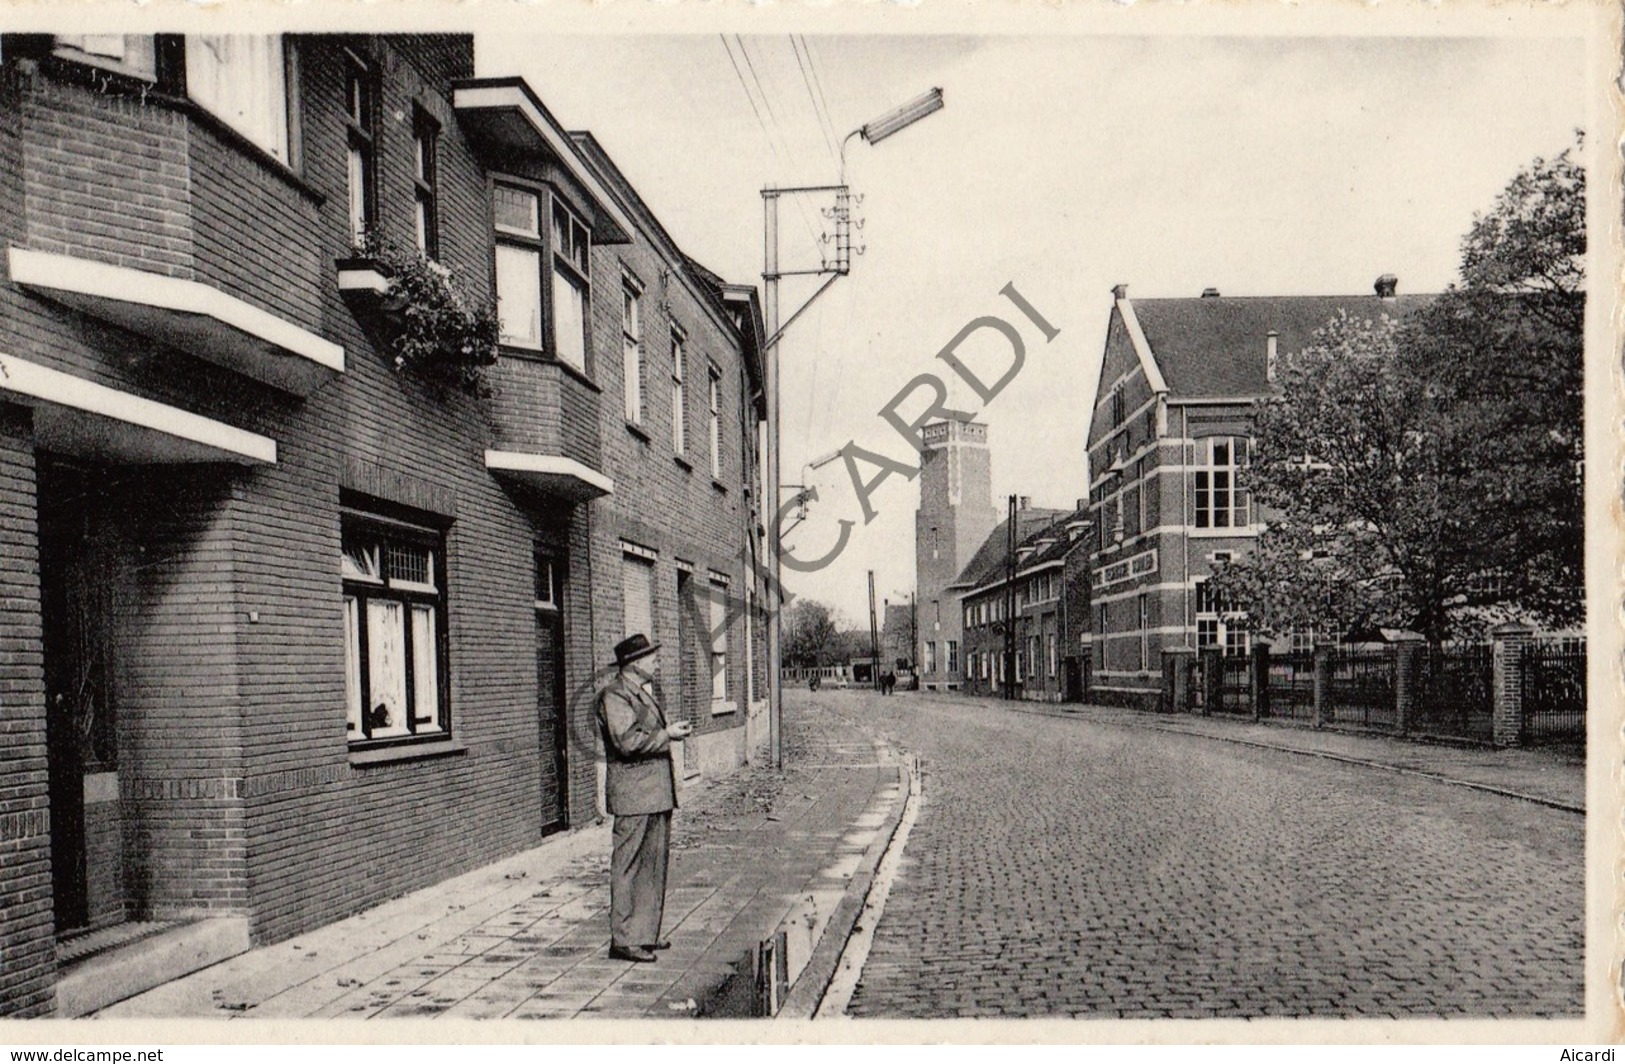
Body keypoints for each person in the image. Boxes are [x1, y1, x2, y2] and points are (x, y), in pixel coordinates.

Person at [595, 633, 692, 964]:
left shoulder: (637, 692)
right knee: (629, 866)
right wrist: (668, 734)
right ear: (634, 665)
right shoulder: (614, 695)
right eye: (651, 657)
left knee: (652, 867)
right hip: (634, 796)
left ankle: (644, 933)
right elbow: (626, 742)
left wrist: (668, 731)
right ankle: (624, 940)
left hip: (653, 794)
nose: (656, 662)